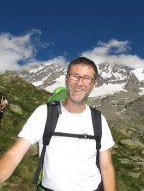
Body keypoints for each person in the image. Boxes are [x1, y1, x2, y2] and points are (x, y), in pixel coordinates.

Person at [0, 57, 116, 191]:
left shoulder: (98, 119)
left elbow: (107, 168)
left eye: (86, 78)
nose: (79, 83)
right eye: (75, 76)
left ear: (93, 84)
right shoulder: (44, 113)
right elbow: (14, 154)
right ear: (66, 78)